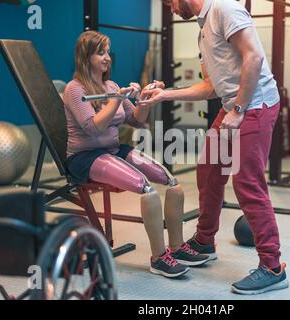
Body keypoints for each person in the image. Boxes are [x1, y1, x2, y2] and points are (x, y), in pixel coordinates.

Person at [138, 0, 288, 294]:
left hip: (255, 105)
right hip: (234, 105)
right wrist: (163, 95)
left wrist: (240, 109)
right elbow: (210, 87)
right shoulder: (202, 28)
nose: (169, 9)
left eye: (169, 2)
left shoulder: (224, 9)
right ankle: (204, 241)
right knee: (208, 169)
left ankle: (272, 267)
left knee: (247, 182)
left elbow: (254, 57)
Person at [63, 30, 209, 278]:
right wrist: (117, 100)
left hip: (112, 149)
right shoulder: (75, 89)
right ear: (86, 58)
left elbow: (137, 121)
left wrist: (144, 99)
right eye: (100, 53)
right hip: (84, 157)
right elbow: (92, 126)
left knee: (172, 183)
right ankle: (158, 258)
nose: (107, 57)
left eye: (108, 52)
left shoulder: (109, 86)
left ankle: (177, 248)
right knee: (147, 189)